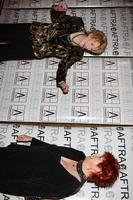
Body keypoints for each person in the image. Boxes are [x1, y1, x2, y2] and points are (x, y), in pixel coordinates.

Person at [0, 1, 107, 94]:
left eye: (92, 49)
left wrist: (61, 82)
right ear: (92, 35)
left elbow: (63, 67)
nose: (88, 47)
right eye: (92, 44)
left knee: (4, 53)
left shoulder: (77, 54)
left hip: (34, 50)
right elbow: (57, 17)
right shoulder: (77, 23)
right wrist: (58, 8)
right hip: (33, 31)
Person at [0, 134, 120, 199]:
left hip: (7, 171)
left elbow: (24, 188)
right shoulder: (78, 155)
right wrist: (33, 140)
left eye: (100, 158)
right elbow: (52, 149)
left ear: (98, 171)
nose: (96, 154)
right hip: (12, 153)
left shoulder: (68, 186)